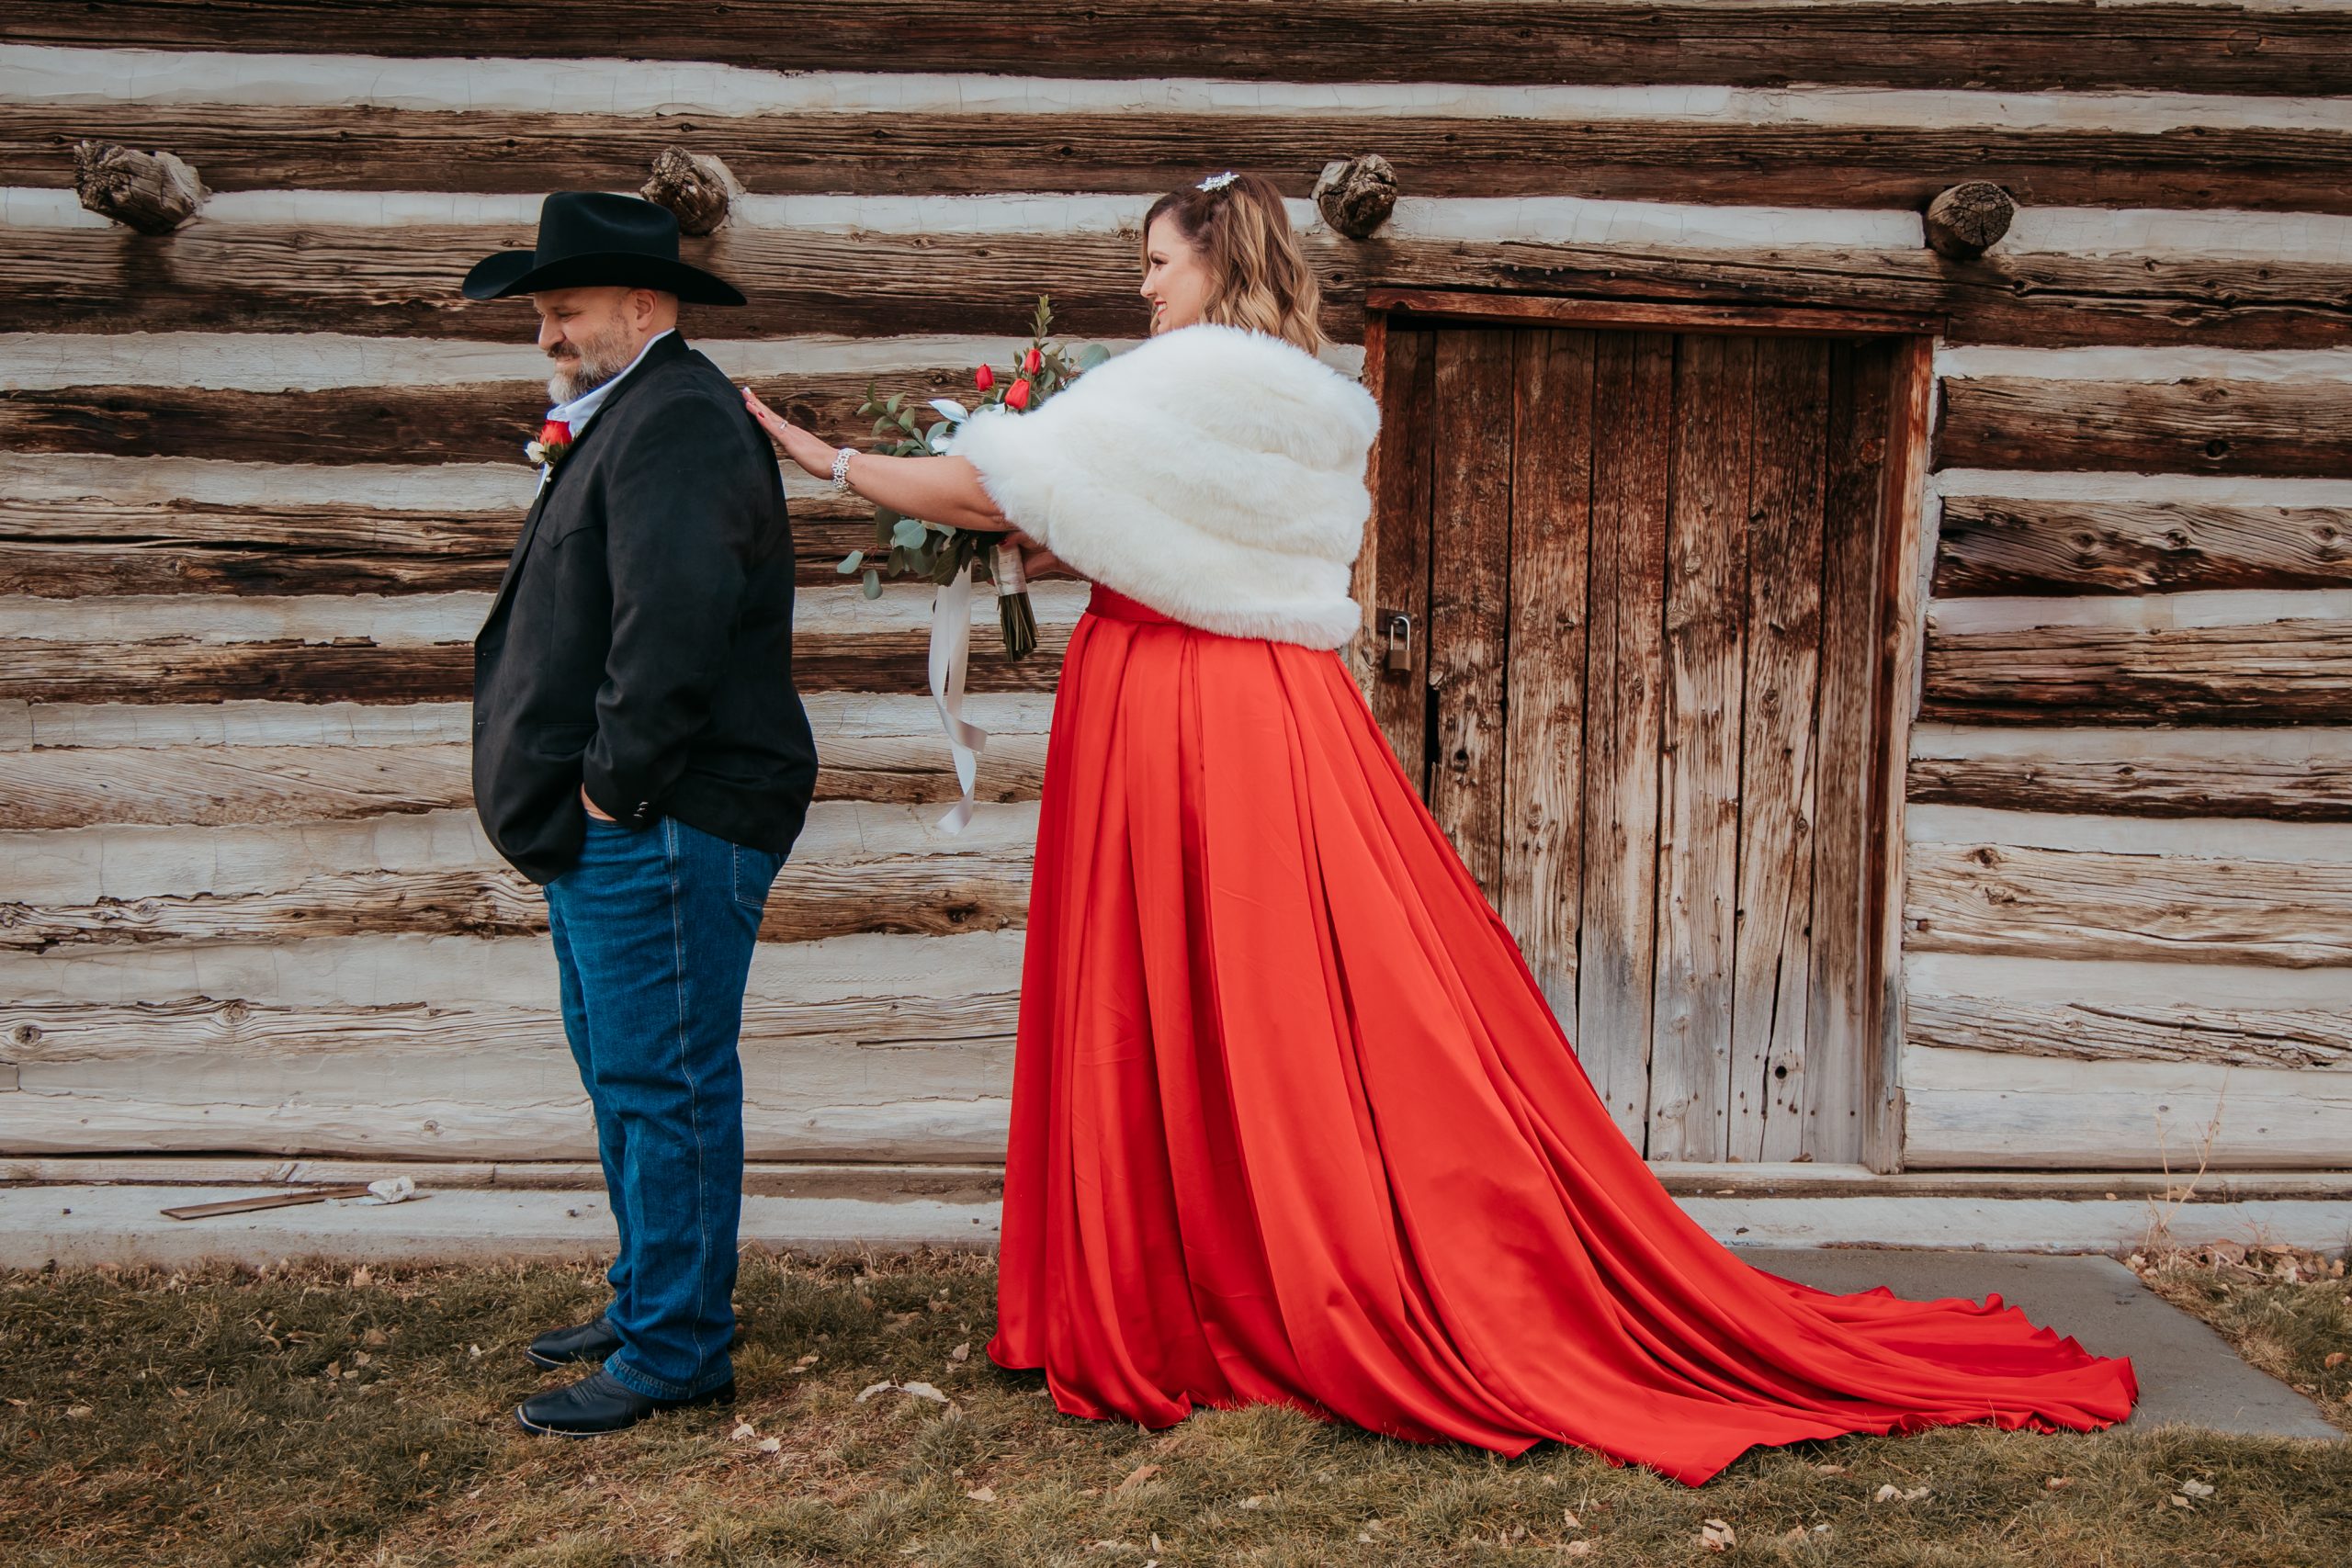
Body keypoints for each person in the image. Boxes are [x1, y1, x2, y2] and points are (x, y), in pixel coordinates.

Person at [741, 171, 2136, 1485]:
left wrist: (835, 460)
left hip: (1179, 707)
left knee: (1190, 988)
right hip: (1270, 701)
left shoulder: (1185, 372)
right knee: (1275, 988)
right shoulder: (1297, 395)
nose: (1142, 292)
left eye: (1155, 265)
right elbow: (1139, 522)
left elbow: (999, 488)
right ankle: (1250, 1248)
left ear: (1216, 265)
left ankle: (1210, 1282)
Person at [466, 191, 819, 1437]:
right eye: (544, 315)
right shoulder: (630, 415)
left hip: (661, 814)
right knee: (624, 1073)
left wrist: (612, 788)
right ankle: (647, 1300)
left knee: (662, 1081)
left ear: (645, 304)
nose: (550, 334)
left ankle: (677, 1348)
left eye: (565, 310)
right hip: (617, 823)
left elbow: (668, 625)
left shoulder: (675, 418)